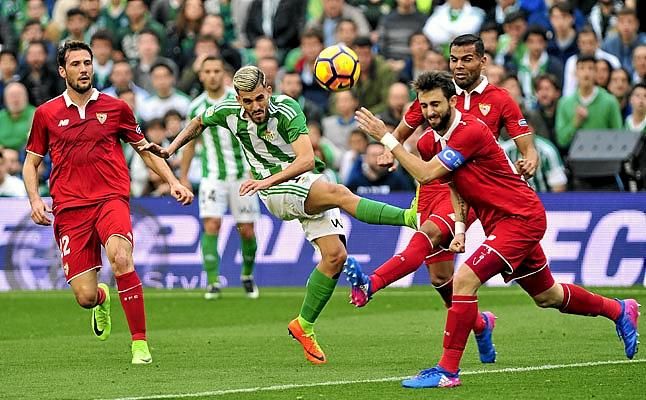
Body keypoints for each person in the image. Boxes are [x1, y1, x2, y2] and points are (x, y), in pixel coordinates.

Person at [354, 71, 640, 388]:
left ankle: (447, 371)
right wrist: (460, 228)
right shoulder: (434, 140)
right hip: (502, 221)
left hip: (520, 218)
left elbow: (425, 174)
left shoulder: (469, 131)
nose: (430, 112)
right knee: (547, 295)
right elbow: (454, 186)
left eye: (435, 104)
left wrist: (387, 137)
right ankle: (619, 310)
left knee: (464, 280)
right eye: (424, 106)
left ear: (452, 101)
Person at [141, 65, 417, 365]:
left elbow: (307, 159)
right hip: (275, 193)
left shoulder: (287, 109)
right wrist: (171, 149)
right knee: (339, 193)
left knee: (335, 257)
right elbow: (198, 121)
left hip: (294, 178)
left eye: (260, 98)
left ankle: (304, 325)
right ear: (238, 99)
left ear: (269, 91)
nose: (255, 106)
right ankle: (411, 217)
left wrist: (265, 180)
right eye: (248, 101)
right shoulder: (228, 110)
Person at [22, 41, 194, 365]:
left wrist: (173, 181)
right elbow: (31, 163)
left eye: (87, 63)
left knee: (121, 258)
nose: (83, 69)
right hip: (70, 209)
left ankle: (139, 344)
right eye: (75, 64)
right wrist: (34, 200)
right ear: (62, 71)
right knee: (85, 297)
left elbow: (144, 150)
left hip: (110, 199)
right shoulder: (46, 114)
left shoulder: (116, 108)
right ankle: (102, 297)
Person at [348, 34, 538, 326]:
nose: (459, 65)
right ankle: (480, 324)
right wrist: (389, 149)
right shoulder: (436, 92)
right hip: (433, 182)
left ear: (483, 61)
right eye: (454, 59)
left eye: (466, 59)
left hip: (468, 185)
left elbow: (526, 144)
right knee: (439, 276)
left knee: (429, 234)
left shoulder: (499, 99)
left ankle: (371, 283)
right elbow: (406, 126)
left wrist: (530, 158)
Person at [179, 56, 260, 300]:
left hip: (243, 175)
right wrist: (183, 176)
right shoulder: (195, 107)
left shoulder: (239, 100)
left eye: (217, 70)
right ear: (201, 75)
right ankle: (213, 282)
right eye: (208, 71)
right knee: (212, 224)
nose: (212, 75)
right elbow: (190, 144)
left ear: (223, 74)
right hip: (212, 176)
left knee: (247, 230)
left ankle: (247, 275)